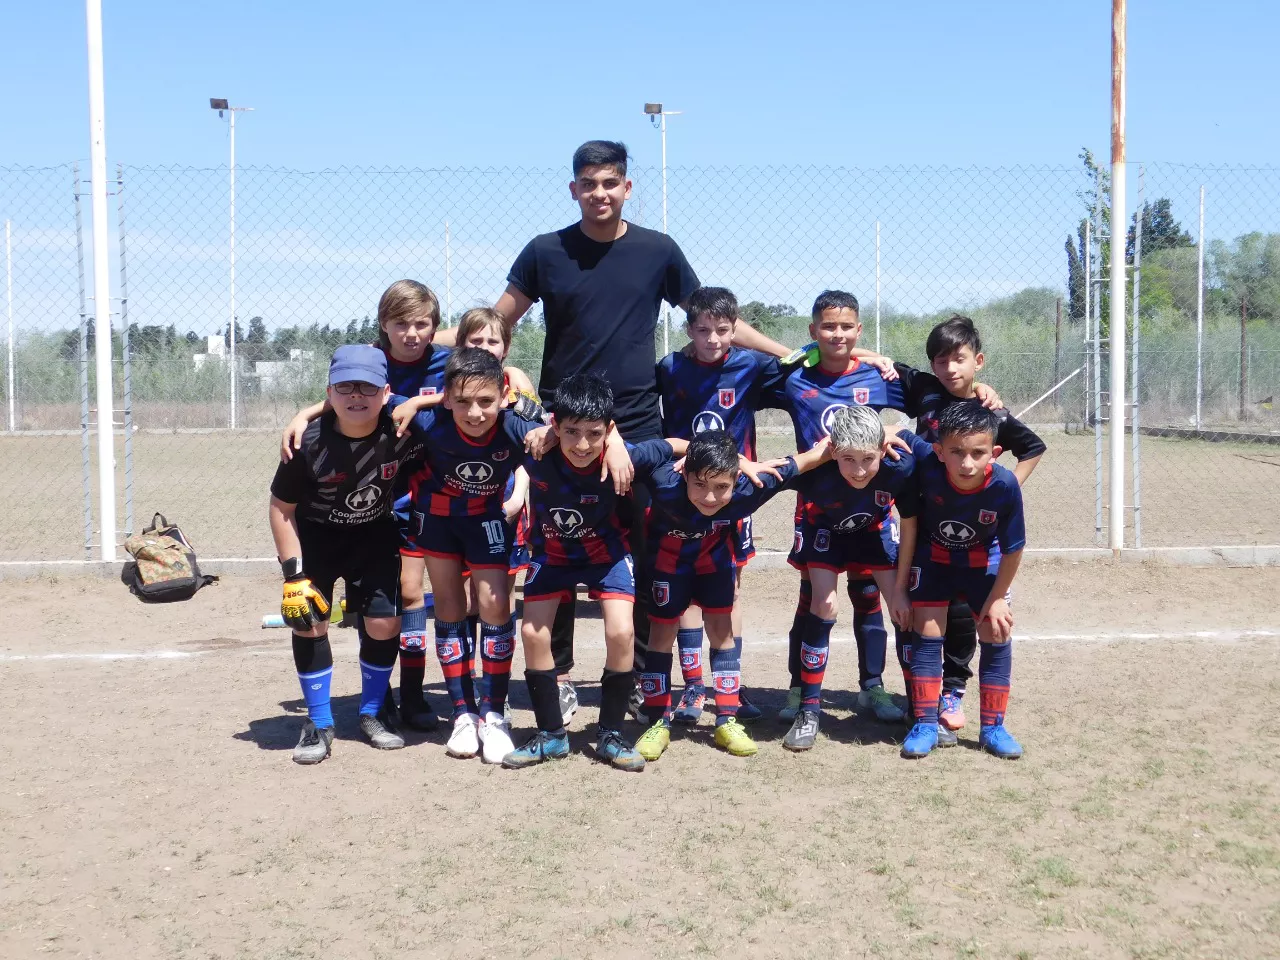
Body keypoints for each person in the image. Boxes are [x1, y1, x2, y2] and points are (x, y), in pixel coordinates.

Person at [445, 140, 791, 725]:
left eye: (610, 183)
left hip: (635, 421)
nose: (599, 193)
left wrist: (790, 354)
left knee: (651, 545)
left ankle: (639, 681)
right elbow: (495, 323)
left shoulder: (658, 250)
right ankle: (557, 678)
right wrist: (429, 359)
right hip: (565, 422)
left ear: (627, 188)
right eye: (588, 183)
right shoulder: (545, 251)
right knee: (556, 542)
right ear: (573, 189)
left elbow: (714, 318)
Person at [280, 279, 449, 732]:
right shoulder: (367, 360)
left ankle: (404, 698)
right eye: (401, 323)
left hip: (410, 502)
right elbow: (348, 394)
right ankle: (365, 704)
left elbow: (482, 387)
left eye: (422, 324)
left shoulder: (444, 362)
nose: (411, 333)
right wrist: (305, 413)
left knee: (397, 609)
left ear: (434, 328)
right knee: (375, 607)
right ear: (384, 326)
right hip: (357, 512)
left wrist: (419, 401)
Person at [503, 374, 685, 772]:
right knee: (532, 632)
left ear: (609, 430)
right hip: (552, 553)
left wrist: (726, 459)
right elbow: (494, 411)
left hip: (607, 555)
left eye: (595, 434)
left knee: (621, 632)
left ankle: (611, 733)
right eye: (571, 432)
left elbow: (675, 445)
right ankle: (551, 735)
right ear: (555, 425)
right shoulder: (535, 444)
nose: (583, 444)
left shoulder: (624, 456)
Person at [268, 345, 432, 764]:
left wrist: (417, 402)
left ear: (387, 393)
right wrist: (293, 577)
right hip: (317, 539)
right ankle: (319, 722)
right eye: (345, 387)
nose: (356, 395)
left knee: (384, 622)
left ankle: (372, 712)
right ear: (329, 393)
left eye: (368, 387)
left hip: (374, 535)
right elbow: (281, 509)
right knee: (310, 622)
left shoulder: (403, 429)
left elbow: (462, 403)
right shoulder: (306, 441)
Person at [654, 285, 807, 724]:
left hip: (733, 493)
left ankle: (729, 689)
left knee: (729, 589)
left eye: (723, 330)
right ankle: (693, 687)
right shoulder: (670, 368)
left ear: (736, 329)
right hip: (688, 493)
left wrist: (871, 360)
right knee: (685, 593)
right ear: (689, 329)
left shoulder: (751, 366)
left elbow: (809, 366)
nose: (713, 339)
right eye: (703, 330)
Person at [390, 348, 552, 763]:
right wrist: (305, 417)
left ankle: (493, 714)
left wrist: (549, 432)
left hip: (486, 519)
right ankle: (463, 713)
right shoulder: (429, 420)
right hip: (437, 519)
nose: (475, 413)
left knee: (494, 603)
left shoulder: (517, 425)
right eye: (462, 401)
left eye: (485, 401)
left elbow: (565, 428)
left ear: (504, 396)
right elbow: (370, 397)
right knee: (449, 604)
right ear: (446, 398)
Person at [886, 315, 1045, 735]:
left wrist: (999, 491)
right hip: (928, 526)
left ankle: (958, 695)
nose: (950, 368)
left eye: (959, 359)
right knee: (921, 618)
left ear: (978, 360)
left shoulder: (991, 413)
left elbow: (1032, 447)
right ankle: (922, 708)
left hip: (975, 539)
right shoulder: (924, 391)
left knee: (975, 620)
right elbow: (883, 374)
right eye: (942, 360)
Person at [634, 430, 832, 761]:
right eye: (699, 484)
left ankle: (726, 720)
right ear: (684, 473)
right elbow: (630, 450)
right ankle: (658, 724)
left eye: (721, 487)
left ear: (736, 478)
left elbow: (804, 461)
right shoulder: (663, 479)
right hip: (668, 567)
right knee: (660, 636)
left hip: (715, 566)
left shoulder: (751, 486)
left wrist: (836, 446)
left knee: (722, 635)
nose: (710, 497)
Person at [761, 290, 909, 725]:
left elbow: (929, 400)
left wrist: (892, 426)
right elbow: (754, 374)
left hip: (870, 508)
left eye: (846, 327)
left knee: (868, 596)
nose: (837, 334)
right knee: (813, 600)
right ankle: (799, 689)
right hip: (818, 509)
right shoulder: (794, 379)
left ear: (858, 329)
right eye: (828, 327)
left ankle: (872, 687)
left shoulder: (879, 377)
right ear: (813, 331)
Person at [782, 405, 928, 751]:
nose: (859, 470)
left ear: (882, 449)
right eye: (848, 459)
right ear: (833, 451)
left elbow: (910, 524)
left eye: (867, 459)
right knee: (823, 604)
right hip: (824, 532)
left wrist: (901, 588)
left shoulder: (899, 467)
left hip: (873, 530)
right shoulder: (815, 471)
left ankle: (919, 710)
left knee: (902, 609)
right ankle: (808, 709)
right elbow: (769, 475)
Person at [897, 403, 1027, 760]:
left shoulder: (1004, 485)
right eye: (956, 452)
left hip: (983, 563)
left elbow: (1014, 550)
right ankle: (926, 724)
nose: (966, 463)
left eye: (977, 453)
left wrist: (997, 598)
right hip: (934, 560)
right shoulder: (927, 463)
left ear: (994, 453)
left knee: (997, 630)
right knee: (927, 630)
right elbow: (897, 431)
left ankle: (993, 728)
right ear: (939, 451)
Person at [412, 307, 540, 653]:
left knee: (498, 595)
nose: (484, 347)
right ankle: (463, 669)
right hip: (455, 506)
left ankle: (498, 678)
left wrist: (519, 496)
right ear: (460, 344)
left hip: (505, 499)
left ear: (506, 347)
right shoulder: (449, 388)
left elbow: (528, 446)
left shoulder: (516, 384)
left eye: (492, 341)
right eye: (475, 340)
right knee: (464, 598)